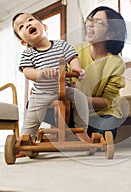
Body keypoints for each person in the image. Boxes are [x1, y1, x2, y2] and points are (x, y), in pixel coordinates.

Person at [12, 12, 89, 140]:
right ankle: (26, 138)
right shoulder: (28, 54)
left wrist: (77, 69)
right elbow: (27, 71)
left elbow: (73, 58)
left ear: (45, 27)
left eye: (30, 20)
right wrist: (40, 73)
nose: (27, 24)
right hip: (41, 93)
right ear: (23, 42)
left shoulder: (62, 45)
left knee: (80, 97)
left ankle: (81, 129)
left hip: (64, 88)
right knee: (32, 118)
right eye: (21, 27)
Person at [72, 6, 127, 139]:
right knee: (39, 104)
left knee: (104, 133)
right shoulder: (74, 51)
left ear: (110, 34)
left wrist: (81, 100)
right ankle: (78, 131)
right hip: (75, 110)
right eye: (90, 19)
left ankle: (80, 132)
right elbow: (63, 80)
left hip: (101, 113)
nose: (90, 23)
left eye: (98, 22)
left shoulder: (116, 63)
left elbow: (107, 101)